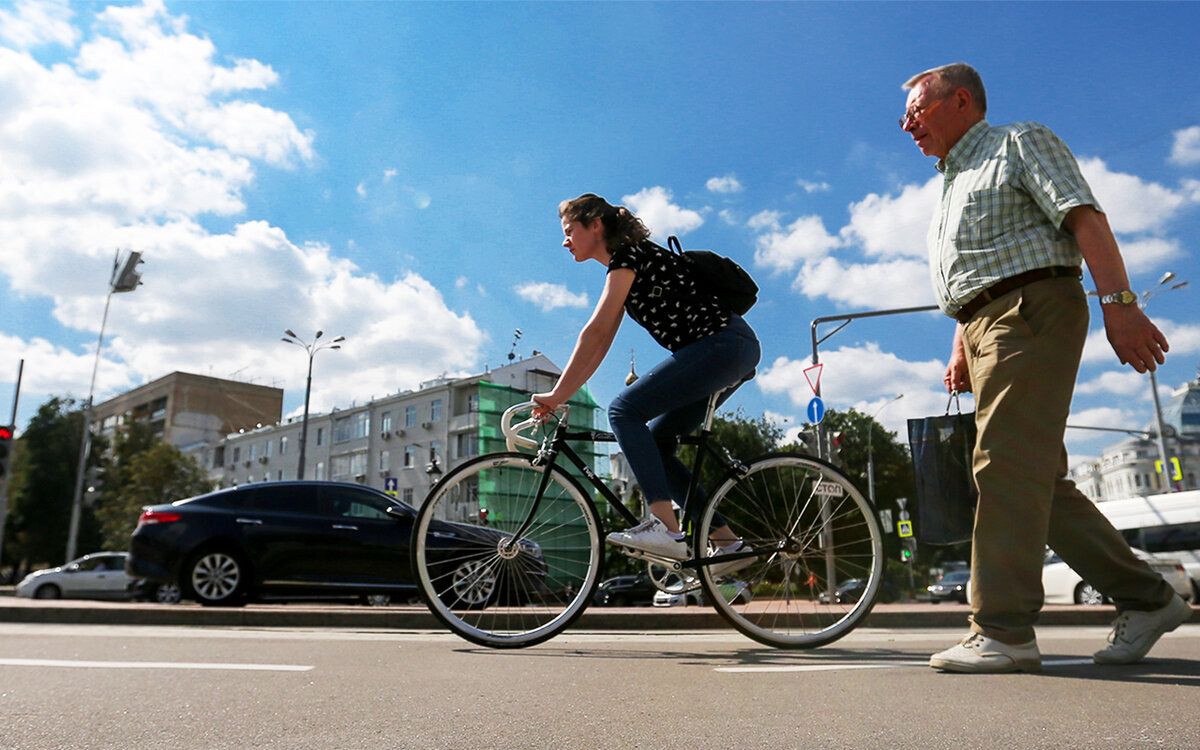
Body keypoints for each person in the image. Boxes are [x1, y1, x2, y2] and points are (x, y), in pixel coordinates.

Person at [900, 63, 1191, 673]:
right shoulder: (950, 184)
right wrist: (961, 344)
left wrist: (1121, 304)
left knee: (1003, 465)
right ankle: (1150, 599)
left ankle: (1002, 631)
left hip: (1030, 309)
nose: (907, 124)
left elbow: (1084, 217)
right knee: (1035, 483)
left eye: (916, 110)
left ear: (959, 101)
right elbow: (975, 270)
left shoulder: (1017, 141)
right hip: (985, 324)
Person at [532, 193, 760, 573]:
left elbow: (594, 332)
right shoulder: (630, 265)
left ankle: (664, 529)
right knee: (657, 444)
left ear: (595, 225)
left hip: (723, 344)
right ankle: (728, 543)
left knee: (623, 410)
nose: (564, 240)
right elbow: (601, 343)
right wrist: (562, 395)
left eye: (570, 230)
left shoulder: (629, 256)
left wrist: (558, 395)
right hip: (726, 349)